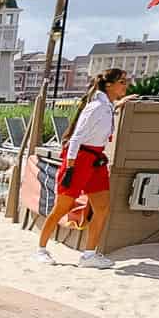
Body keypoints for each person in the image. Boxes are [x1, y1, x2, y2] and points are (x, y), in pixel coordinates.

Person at [34, 68, 129, 269]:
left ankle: (89, 255)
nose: (125, 85)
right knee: (62, 207)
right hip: (80, 159)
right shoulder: (95, 106)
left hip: (96, 160)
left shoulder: (106, 105)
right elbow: (77, 136)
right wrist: (70, 166)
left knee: (102, 207)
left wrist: (119, 104)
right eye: (122, 81)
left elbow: (107, 113)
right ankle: (41, 249)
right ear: (109, 84)